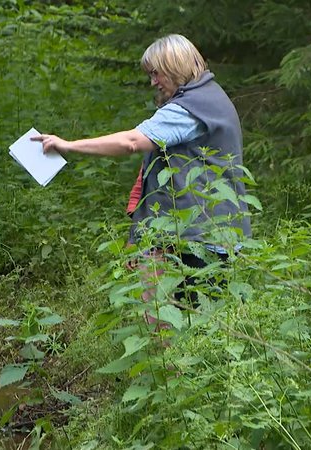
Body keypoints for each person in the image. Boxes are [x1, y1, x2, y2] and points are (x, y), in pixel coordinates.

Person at [32, 34, 252, 308]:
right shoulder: (209, 97)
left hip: (198, 238)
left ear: (175, 65)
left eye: (155, 73)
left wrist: (68, 145)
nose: (153, 82)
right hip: (212, 232)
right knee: (200, 326)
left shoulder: (191, 108)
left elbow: (131, 142)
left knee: (169, 321)